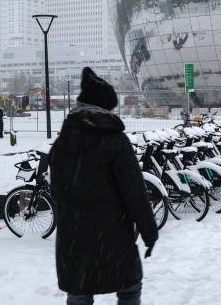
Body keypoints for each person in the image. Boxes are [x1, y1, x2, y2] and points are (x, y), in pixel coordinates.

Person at [49, 67, 158, 305]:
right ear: (105, 107)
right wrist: (149, 232)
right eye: (112, 107)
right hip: (114, 237)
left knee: (79, 293)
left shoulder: (62, 142)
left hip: (74, 240)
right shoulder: (116, 142)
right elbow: (135, 193)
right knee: (129, 289)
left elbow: (56, 190)